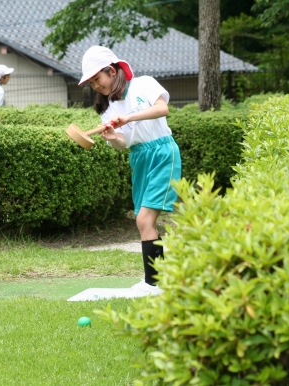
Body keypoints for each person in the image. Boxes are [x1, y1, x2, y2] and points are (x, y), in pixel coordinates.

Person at [78, 45, 182, 298]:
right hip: (140, 158)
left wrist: (129, 119)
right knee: (144, 220)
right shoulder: (110, 109)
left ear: (112, 71)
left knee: (144, 220)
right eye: (91, 83)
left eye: (97, 79)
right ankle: (157, 281)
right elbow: (122, 143)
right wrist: (112, 136)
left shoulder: (144, 84)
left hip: (162, 153)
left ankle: (153, 284)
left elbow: (163, 109)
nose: (96, 86)